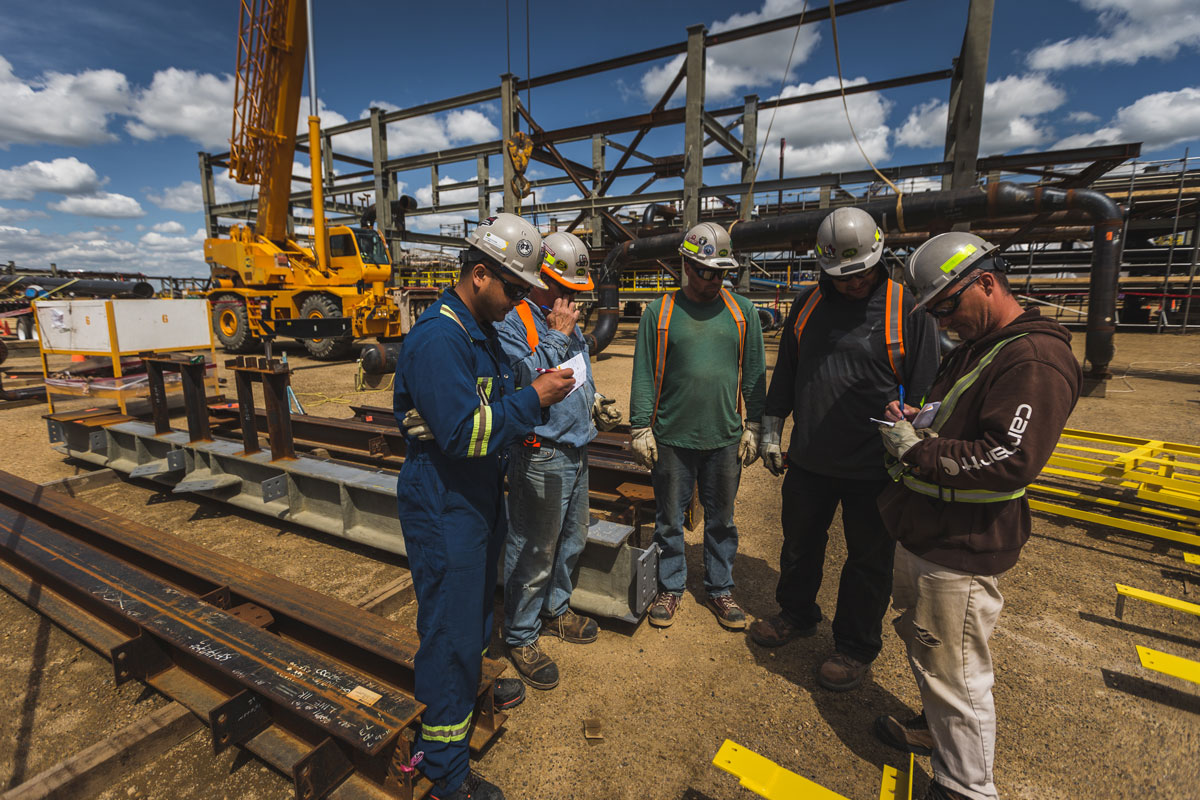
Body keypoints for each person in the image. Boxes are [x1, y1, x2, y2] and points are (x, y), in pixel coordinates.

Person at [871, 232, 1082, 800]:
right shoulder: (982, 345)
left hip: (961, 546)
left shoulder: (1033, 358)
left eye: (947, 306)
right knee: (932, 653)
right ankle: (935, 730)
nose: (942, 321)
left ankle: (965, 787)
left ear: (985, 283)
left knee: (959, 676)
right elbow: (969, 421)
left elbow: (1009, 458)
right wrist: (922, 417)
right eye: (934, 310)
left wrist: (917, 448)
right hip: (932, 531)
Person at [393, 213, 575, 800]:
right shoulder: (439, 338)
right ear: (478, 276)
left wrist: (517, 397)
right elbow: (466, 434)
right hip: (445, 499)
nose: (520, 300)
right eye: (515, 289)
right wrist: (530, 400)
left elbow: (484, 405)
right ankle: (447, 775)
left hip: (472, 495)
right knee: (450, 633)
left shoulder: (476, 330)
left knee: (472, 619)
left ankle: (463, 701)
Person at [750, 207, 940, 692]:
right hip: (811, 460)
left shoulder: (907, 310)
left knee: (868, 561)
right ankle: (797, 613)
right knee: (799, 544)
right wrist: (772, 428)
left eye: (861, 274)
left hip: (876, 467)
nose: (853, 284)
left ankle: (854, 647)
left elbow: (926, 392)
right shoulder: (808, 303)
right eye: (842, 277)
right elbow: (788, 373)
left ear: (880, 257)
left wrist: (915, 446)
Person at [496, 230, 623, 691]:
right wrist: (555, 333)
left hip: (576, 448)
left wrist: (596, 400)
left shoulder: (565, 323)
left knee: (571, 541)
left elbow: (577, 376)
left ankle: (556, 610)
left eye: (576, 293)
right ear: (538, 280)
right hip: (540, 453)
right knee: (533, 548)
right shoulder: (514, 321)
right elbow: (524, 383)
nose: (572, 300)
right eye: (563, 289)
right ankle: (521, 633)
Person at [629, 221, 766, 630]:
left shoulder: (743, 314)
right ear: (686, 265)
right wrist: (640, 427)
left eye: (721, 272)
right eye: (706, 271)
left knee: (721, 519)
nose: (713, 280)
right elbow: (642, 374)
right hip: (672, 438)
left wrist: (755, 425)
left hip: (725, 438)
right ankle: (671, 586)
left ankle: (720, 588)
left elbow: (755, 372)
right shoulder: (661, 312)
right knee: (669, 518)